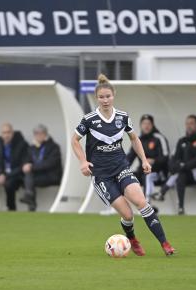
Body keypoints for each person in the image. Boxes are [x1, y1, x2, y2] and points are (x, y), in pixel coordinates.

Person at [71, 74, 175, 257]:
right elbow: (74, 141)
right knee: (127, 215)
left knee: (142, 202)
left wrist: (143, 159)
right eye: (101, 97)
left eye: (108, 96)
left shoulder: (123, 117)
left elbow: (134, 138)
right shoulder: (89, 119)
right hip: (102, 175)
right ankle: (132, 239)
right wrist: (83, 162)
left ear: (114, 95)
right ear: (97, 97)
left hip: (121, 168)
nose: (105, 100)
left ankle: (165, 244)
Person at [154, 115, 196, 215]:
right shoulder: (182, 141)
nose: (189, 126)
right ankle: (180, 208)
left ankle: (163, 192)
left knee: (181, 173)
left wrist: (183, 166)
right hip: (184, 173)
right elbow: (174, 158)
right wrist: (177, 166)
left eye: (192, 123)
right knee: (181, 175)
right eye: (187, 123)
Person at [127, 114, 169, 204]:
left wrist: (154, 161)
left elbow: (165, 157)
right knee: (125, 178)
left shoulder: (159, 138)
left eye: (149, 123)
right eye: (144, 123)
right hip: (141, 171)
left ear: (152, 125)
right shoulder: (138, 140)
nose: (146, 126)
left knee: (148, 176)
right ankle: (118, 207)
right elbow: (129, 158)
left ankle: (146, 205)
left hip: (158, 172)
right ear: (140, 125)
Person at [20, 124, 62, 211]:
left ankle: (30, 201)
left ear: (45, 134)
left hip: (51, 176)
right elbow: (26, 160)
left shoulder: (54, 147)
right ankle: (30, 198)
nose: (38, 135)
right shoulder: (32, 148)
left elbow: (49, 164)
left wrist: (32, 167)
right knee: (27, 177)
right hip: (37, 175)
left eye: (41, 133)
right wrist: (25, 166)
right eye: (36, 133)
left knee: (29, 177)